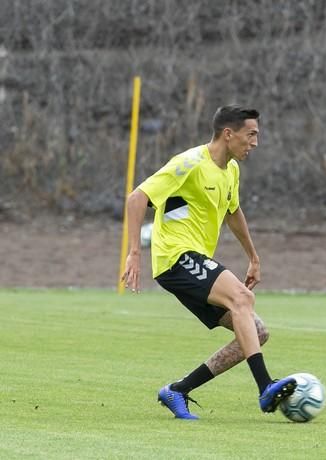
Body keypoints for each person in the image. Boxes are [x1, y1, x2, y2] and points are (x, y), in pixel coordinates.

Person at [121, 104, 296, 420]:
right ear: (228, 134)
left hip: (193, 260)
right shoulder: (189, 163)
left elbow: (233, 212)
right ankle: (265, 386)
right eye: (251, 134)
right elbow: (137, 198)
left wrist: (253, 257)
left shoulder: (231, 171)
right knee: (243, 298)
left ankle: (178, 390)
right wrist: (134, 252)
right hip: (175, 258)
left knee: (256, 333)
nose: (255, 142)